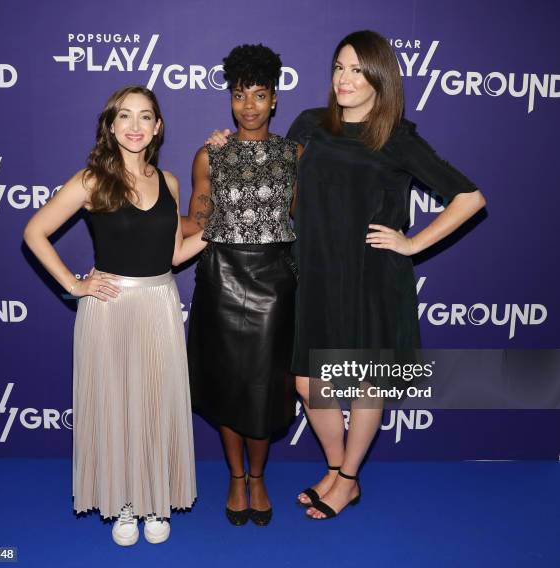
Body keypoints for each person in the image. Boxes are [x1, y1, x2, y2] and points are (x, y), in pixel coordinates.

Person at [208, 30, 486, 520]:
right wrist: (229, 149)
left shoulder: (396, 136)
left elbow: (469, 197)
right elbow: (271, 170)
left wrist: (411, 243)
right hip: (313, 272)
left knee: (363, 386)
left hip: (371, 278)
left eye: (357, 69)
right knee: (307, 384)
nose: (345, 78)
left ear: (380, 76)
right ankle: (338, 470)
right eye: (339, 67)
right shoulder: (310, 125)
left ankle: (348, 478)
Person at [23, 86, 206, 545]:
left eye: (146, 117)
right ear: (110, 125)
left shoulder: (169, 182)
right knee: (115, 403)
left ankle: (154, 500)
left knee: (155, 403)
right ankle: (124, 501)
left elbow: (176, 253)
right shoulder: (91, 180)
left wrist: (222, 230)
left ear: (158, 127)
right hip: (109, 308)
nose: (135, 126)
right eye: (125, 116)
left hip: (160, 304)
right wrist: (74, 284)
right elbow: (35, 232)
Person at [182, 44, 302, 526]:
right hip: (221, 277)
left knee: (263, 388)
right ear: (229, 100)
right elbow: (197, 219)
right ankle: (237, 477)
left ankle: (259, 476)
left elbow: (298, 214)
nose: (248, 105)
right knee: (229, 385)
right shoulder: (210, 153)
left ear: (274, 99)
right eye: (239, 95)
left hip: (275, 281)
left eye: (258, 95)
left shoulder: (296, 154)